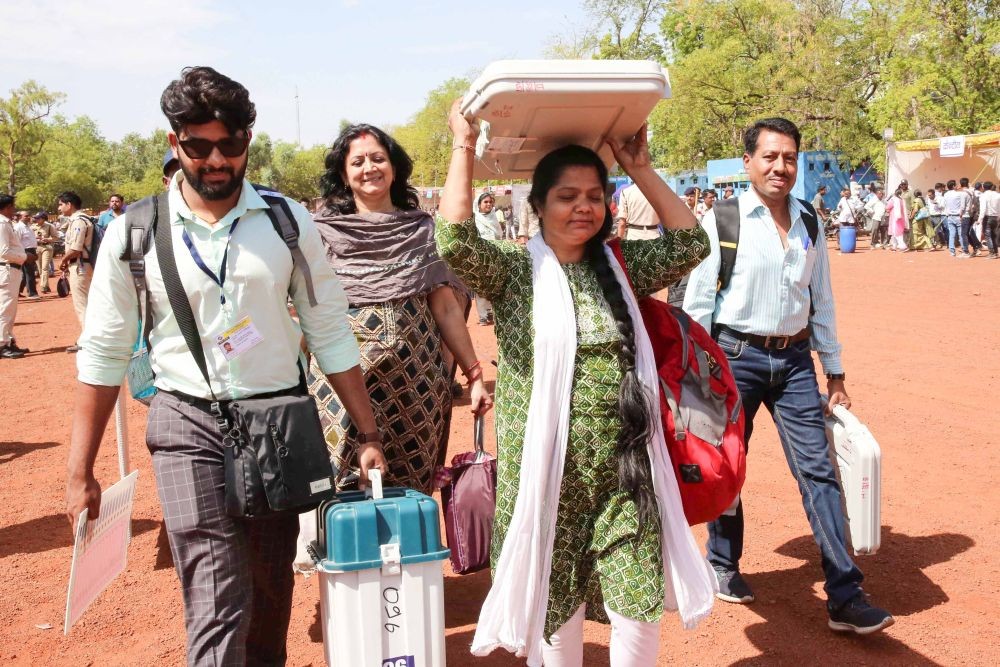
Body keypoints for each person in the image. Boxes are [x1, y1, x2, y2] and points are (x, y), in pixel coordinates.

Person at [64, 66, 386, 666]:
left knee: (269, 592)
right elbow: (104, 352)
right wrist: (80, 468)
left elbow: (329, 332)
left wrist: (366, 433)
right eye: (199, 146)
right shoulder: (135, 232)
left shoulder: (288, 224)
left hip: (279, 427)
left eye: (230, 145)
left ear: (247, 142)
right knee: (217, 590)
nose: (216, 160)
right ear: (174, 143)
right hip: (186, 423)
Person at [438, 100, 716, 666]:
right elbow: (454, 242)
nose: (583, 208)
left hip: (625, 468)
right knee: (556, 608)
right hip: (547, 477)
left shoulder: (622, 267)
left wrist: (639, 167)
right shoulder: (515, 273)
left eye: (594, 196)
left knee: (636, 605)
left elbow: (692, 244)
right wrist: (463, 144)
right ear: (538, 206)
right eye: (567, 197)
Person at [683, 117, 893, 635]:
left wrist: (835, 372)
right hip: (734, 358)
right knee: (727, 466)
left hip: (796, 362)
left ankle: (845, 594)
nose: (781, 167)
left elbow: (820, 300)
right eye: (770, 157)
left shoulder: (809, 221)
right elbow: (699, 304)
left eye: (790, 158)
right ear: (748, 162)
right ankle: (722, 565)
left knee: (818, 472)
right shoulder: (722, 221)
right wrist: (698, 378)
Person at [310, 122, 491, 493]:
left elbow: (445, 308)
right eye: (357, 161)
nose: (369, 168)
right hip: (342, 384)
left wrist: (474, 375)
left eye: (378, 158)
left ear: (394, 168)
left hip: (417, 385)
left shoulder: (421, 229)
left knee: (411, 490)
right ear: (343, 175)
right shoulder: (321, 234)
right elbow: (306, 315)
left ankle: (411, 554)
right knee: (344, 488)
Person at [56, 191, 93, 350]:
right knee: (89, 303)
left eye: (61, 204)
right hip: (84, 264)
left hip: (80, 266)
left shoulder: (78, 221)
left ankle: (88, 340)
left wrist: (63, 260)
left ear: (69, 204)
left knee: (82, 304)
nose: (59, 208)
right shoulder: (83, 219)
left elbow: (76, 249)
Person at [1, 195, 27, 359]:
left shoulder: (6, 222)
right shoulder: (2, 223)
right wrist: (23, 257)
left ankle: (8, 341)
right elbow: (3, 251)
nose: (14, 210)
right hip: (7, 268)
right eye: (13, 206)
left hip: (11, 269)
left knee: (9, 308)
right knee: (5, 308)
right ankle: (2, 344)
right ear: (7, 206)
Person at [471, 191, 503, 325]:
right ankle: (483, 315)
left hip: (494, 256)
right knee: (480, 286)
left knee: (493, 285)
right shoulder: (474, 219)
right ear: (478, 204)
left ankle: (491, 313)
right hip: (479, 257)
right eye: (485, 202)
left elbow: (499, 236)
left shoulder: (494, 218)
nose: (488, 204)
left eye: (490, 202)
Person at [13, 212, 39, 298]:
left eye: (29, 215)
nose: (28, 217)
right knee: (29, 272)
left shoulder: (28, 226)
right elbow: (16, 242)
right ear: (20, 217)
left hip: (31, 250)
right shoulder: (18, 227)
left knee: (25, 274)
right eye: (26, 216)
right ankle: (32, 293)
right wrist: (22, 253)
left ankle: (17, 291)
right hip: (25, 251)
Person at [31, 212, 59, 294]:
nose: (36, 219)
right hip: (37, 247)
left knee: (45, 267)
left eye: (38, 218)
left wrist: (47, 239)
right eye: (36, 218)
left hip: (46, 247)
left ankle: (43, 286)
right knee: (39, 268)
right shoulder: (33, 227)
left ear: (43, 218)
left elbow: (55, 237)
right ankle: (46, 285)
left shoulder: (50, 226)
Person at [941, 179, 969, 257]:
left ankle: (952, 251)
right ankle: (964, 250)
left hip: (950, 216)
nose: (957, 186)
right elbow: (963, 205)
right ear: (953, 186)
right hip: (958, 216)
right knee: (961, 234)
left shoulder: (946, 194)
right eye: (956, 185)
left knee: (952, 234)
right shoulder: (959, 194)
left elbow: (944, 205)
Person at [978, 181, 1000, 259]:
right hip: (996, 217)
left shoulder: (983, 196)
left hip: (987, 217)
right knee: (994, 235)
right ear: (991, 187)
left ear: (983, 187)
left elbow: (983, 209)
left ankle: (992, 253)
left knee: (988, 235)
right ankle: (995, 252)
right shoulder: (998, 195)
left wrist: (979, 219)